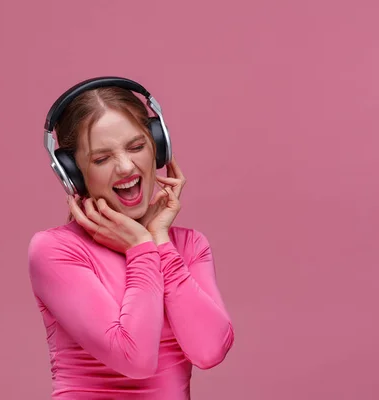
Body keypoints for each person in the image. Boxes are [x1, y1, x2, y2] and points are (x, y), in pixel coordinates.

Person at [28, 77, 234, 399]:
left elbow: (209, 351)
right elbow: (134, 358)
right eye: (101, 159)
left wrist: (159, 242)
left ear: (158, 146)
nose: (126, 167)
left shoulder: (189, 246)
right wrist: (141, 249)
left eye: (137, 147)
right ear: (74, 174)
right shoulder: (55, 250)